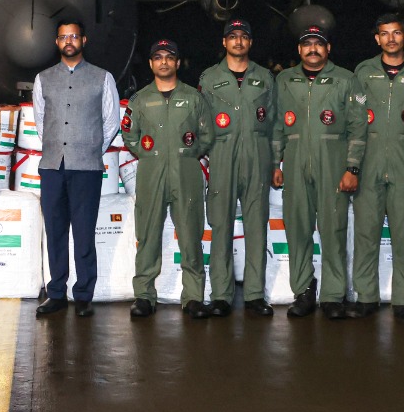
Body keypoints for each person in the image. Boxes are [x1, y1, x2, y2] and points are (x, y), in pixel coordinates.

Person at [270, 25, 368, 320]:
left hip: (332, 163)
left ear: (328, 49)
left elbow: (358, 127)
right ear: (299, 50)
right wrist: (275, 163)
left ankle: (333, 295)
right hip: (295, 161)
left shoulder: (346, 79)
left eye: (319, 44)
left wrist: (352, 167)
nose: (313, 49)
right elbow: (276, 124)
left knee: (333, 230)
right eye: (307, 44)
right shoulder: (284, 80)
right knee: (297, 228)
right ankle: (303, 290)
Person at [33, 20, 121, 319]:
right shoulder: (43, 79)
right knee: (55, 231)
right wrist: (58, 145)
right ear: (56, 42)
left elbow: (111, 121)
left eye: (73, 36)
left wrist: (92, 147)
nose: (68, 41)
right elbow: (41, 120)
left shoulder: (103, 77)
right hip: (52, 166)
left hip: (87, 167)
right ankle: (56, 292)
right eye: (63, 37)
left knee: (84, 232)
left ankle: (84, 294)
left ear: (83, 40)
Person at [350, 15, 404, 323]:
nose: (391, 39)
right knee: (365, 234)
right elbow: (355, 120)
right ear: (377, 39)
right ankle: (366, 298)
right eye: (385, 34)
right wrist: (352, 165)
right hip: (369, 163)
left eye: (397, 33)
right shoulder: (363, 71)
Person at [123, 39, 213, 319]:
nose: (164, 61)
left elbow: (207, 134)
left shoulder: (194, 98)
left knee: (191, 234)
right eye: (158, 57)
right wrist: (148, 155)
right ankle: (144, 296)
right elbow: (129, 135)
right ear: (151, 64)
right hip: (151, 174)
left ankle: (193, 297)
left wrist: (189, 154)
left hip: (186, 173)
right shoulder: (139, 100)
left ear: (177, 63)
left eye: (169, 57)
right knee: (147, 234)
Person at [197, 18, 277, 318]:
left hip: (257, 156)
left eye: (244, 36)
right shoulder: (209, 77)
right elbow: (201, 121)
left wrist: (274, 160)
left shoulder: (265, 77)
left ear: (250, 42)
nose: (238, 41)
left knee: (257, 225)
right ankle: (221, 295)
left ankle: (255, 294)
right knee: (221, 226)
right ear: (224, 42)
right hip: (222, 156)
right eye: (233, 36)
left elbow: (274, 122)